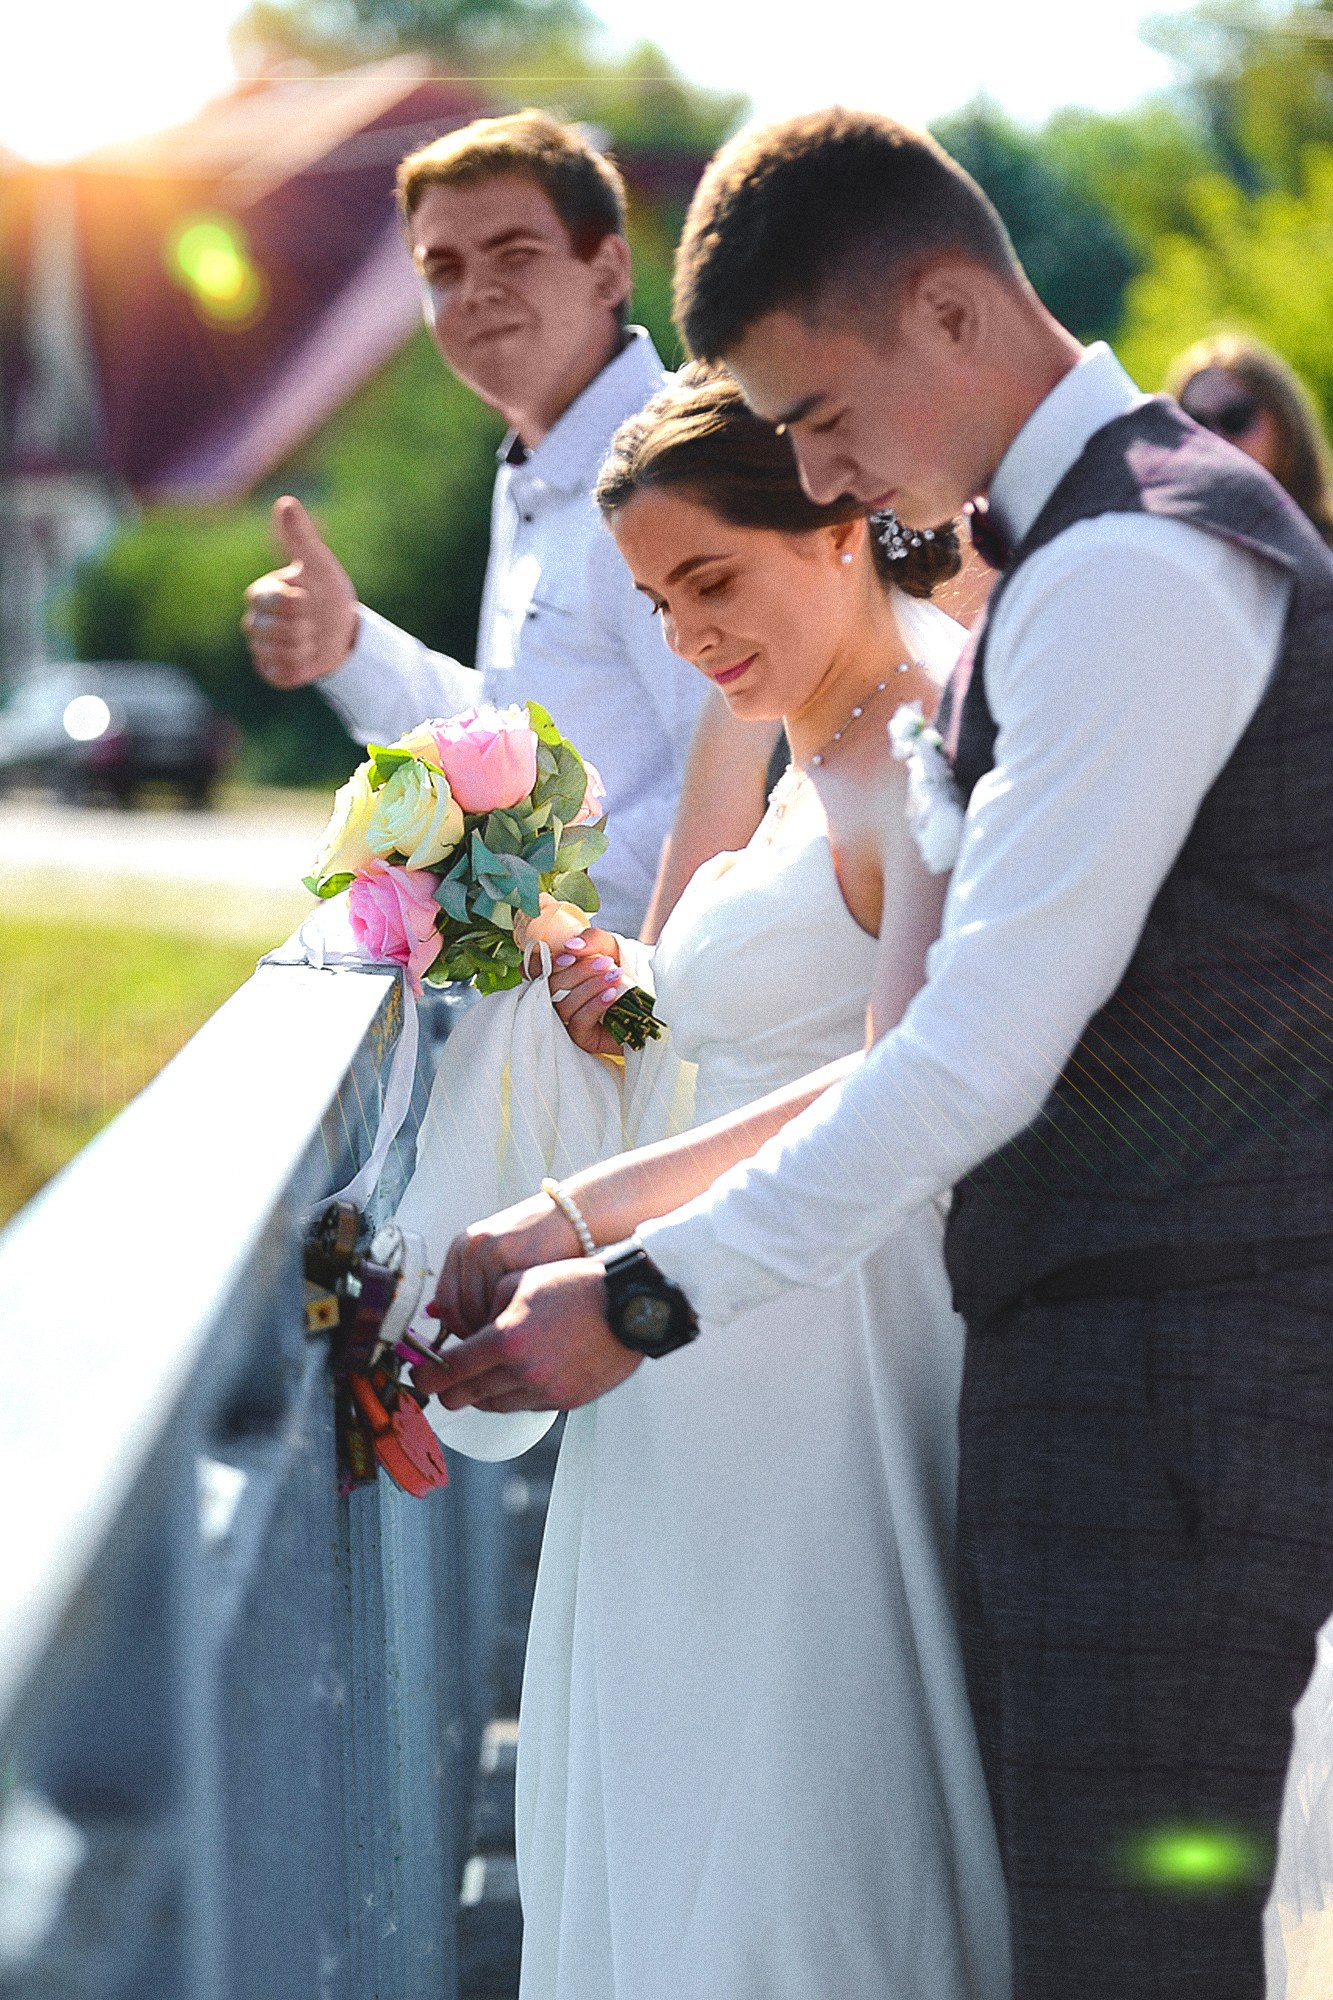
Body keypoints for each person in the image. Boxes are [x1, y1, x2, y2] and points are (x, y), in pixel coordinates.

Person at [425, 110, 1333, 2000]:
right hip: (1106, 1366)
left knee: (1125, 1958)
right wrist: (585, 1212)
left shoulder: (1132, 571)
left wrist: (639, 1294)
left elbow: (967, 1058)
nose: (830, 473)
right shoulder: (1089, 555)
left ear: (943, 307)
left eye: (820, 417)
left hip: (1173, 1384)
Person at [396, 364, 1010, 1999]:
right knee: (668, 1797)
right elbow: (770, 1008)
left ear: (834, 521)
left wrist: (584, 1214)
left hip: (808, 1349)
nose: (684, 640)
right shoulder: (817, 745)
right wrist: (627, 989)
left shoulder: (916, 748)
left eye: (708, 583)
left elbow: (899, 1064)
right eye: (658, 602)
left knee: (787, 1812)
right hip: (696, 1348)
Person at [242, 108, 773, 934]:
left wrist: (499, 891)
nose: (475, 291)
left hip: (656, 1007)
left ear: (607, 268)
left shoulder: (681, 472)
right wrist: (345, 643)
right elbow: (509, 737)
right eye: (441, 268)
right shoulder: (536, 469)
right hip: (577, 992)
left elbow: (736, 787)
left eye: (514, 254)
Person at [1169, 331, 1333, 542]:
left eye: (1236, 417)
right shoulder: (1177, 543)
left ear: (1283, 417)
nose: (1216, 439)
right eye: (1196, 425)